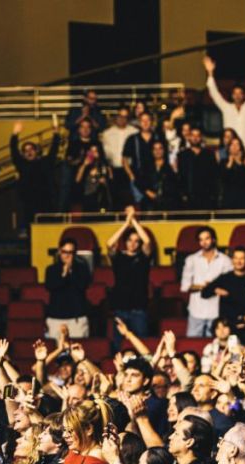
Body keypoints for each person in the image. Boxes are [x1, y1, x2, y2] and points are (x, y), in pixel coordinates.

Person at [106, 207, 151, 349]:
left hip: (139, 308)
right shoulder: (118, 257)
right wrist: (126, 223)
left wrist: (134, 220)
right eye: (130, 240)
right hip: (120, 307)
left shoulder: (143, 257)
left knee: (141, 345)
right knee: (118, 345)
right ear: (125, 241)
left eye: (136, 241)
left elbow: (147, 241)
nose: (133, 243)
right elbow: (109, 243)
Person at [201, 248, 245, 346]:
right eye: (236, 258)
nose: (239, 261)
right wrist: (215, 290)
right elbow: (204, 293)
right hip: (228, 329)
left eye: (242, 258)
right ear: (232, 260)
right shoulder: (224, 278)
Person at [203, 52, 245, 151]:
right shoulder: (225, 107)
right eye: (235, 93)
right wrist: (210, 73)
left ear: (244, 95)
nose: (237, 96)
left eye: (240, 93)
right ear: (232, 95)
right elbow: (214, 93)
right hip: (230, 148)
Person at [180, 227, 232, 337]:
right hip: (196, 310)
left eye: (207, 238)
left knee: (214, 344)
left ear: (213, 239)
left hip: (216, 311)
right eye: (201, 239)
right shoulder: (191, 259)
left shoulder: (225, 260)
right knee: (192, 343)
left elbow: (229, 286)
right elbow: (185, 286)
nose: (204, 242)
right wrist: (206, 287)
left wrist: (213, 287)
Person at [10, 120, 60, 234]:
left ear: (36, 151)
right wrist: (14, 134)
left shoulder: (45, 162)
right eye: (26, 151)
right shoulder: (22, 165)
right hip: (29, 203)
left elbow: (54, 149)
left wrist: (56, 132)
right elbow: (13, 151)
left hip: (47, 202)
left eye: (31, 149)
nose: (29, 152)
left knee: (48, 230)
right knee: (32, 231)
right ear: (23, 154)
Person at [44, 237, 92, 339]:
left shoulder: (82, 269)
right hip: (56, 318)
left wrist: (71, 271)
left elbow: (83, 286)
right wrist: (63, 274)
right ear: (59, 251)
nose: (67, 255)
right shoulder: (51, 269)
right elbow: (50, 286)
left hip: (77, 318)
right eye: (64, 252)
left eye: (70, 252)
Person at [101, 106, 138, 208]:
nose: (122, 119)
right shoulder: (107, 133)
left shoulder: (134, 132)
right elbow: (105, 154)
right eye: (120, 116)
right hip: (113, 171)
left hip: (130, 170)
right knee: (115, 200)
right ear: (116, 117)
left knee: (129, 200)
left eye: (125, 117)